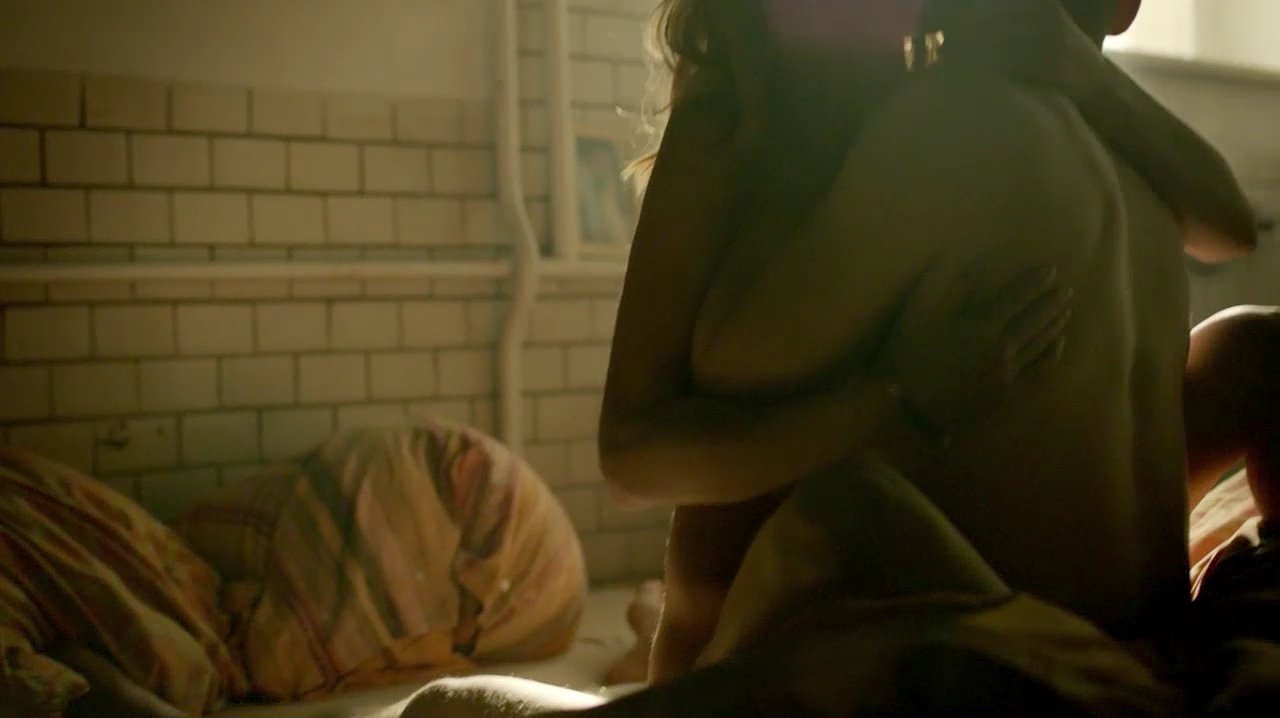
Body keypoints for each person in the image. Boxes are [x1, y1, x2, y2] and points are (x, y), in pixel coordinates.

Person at [394, 0, 1258, 714]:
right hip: (748, 614)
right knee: (450, 701)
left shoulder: (947, 118)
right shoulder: (746, 126)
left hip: (912, 609)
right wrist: (902, 395)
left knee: (1248, 347)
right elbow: (675, 418)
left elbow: (1231, 224)